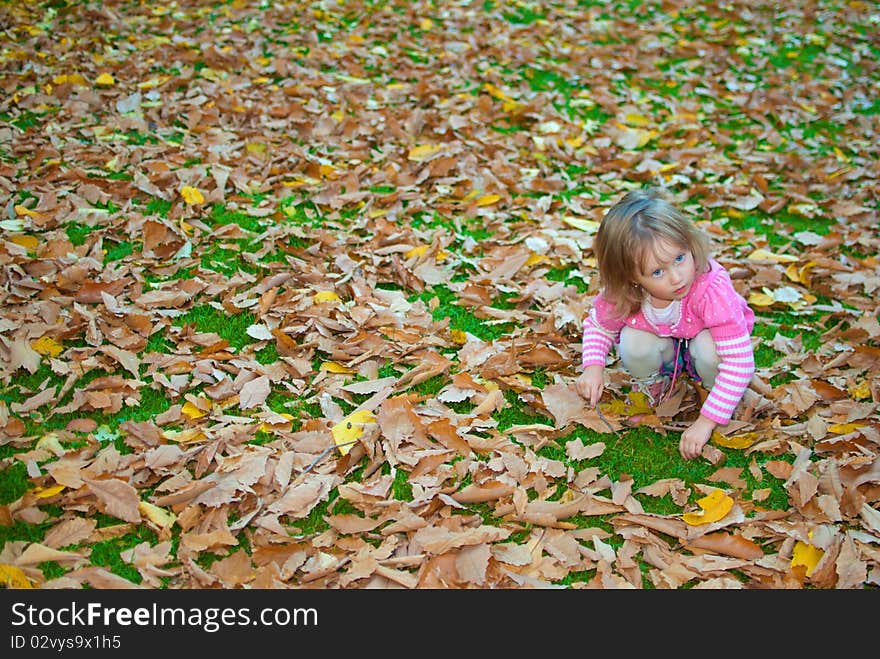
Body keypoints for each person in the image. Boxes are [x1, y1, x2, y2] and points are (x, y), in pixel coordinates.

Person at [576, 187, 756, 460]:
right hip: (665, 344)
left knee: (710, 350)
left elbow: (740, 361)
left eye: (680, 258)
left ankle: (715, 394)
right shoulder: (625, 293)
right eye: (657, 272)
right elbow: (600, 326)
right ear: (631, 278)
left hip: (707, 343)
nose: (676, 277)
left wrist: (705, 423)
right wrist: (592, 367)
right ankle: (654, 384)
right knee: (633, 341)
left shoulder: (710, 289)